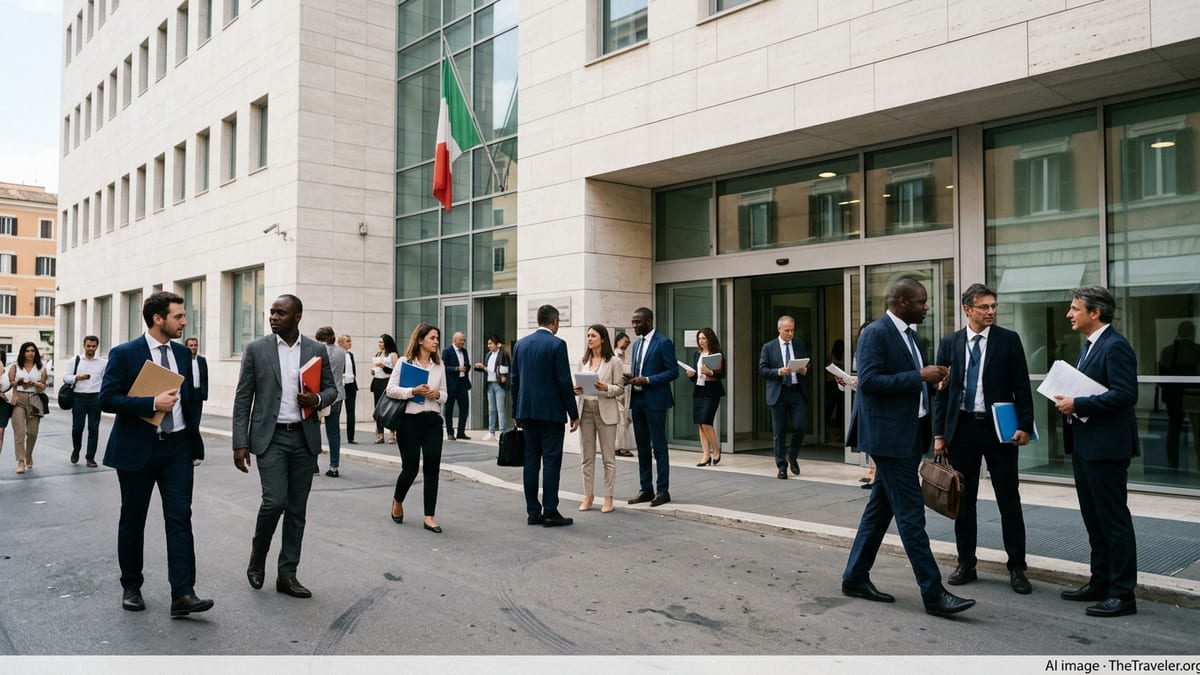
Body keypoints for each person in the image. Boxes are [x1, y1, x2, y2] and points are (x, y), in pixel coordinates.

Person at [841, 278, 975, 618]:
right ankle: (934, 594)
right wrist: (919, 375)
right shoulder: (875, 333)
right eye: (921, 302)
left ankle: (855, 577)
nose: (926, 307)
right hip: (889, 440)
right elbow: (869, 382)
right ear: (901, 302)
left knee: (879, 511)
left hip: (910, 434)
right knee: (912, 516)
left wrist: (933, 382)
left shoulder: (911, 336)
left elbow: (911, 384)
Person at [99, 291, 211, 616]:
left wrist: (193, 442)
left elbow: (189, 401)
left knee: (180, 518)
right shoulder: (124, 353)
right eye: (178, 316)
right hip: (137, 450)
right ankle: (131, 586)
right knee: (133, 520)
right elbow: (107, 399)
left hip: (176, 448)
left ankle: (183, 594)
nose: (185, 322)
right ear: (158, 319)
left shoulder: (182, 353)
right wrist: (151, 403)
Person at [932, 283, 1035, 594]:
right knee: (963, 501)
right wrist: (939, 434)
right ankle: (966, 563)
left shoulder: (1008, 340)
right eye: (984, 307)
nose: (991, 311)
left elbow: (1022, 387)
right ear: (968, 309)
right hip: (961, 430)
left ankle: (1017, 567)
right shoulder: (950, 343)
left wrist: (1025, 425)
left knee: (1009, 498)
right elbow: (941, 393)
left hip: (998, 431)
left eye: (993, 306)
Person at [232, 294, 337, 600]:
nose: (273, 317)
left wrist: (316, 400)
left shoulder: (316, 349)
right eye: (272, 313)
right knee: (274, 502)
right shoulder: (256, 349)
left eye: (281, 313)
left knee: (296, 510)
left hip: (304, 438)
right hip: (271, 438)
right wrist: (241, 441)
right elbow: (243, 398)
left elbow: (332, 389)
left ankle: (287, 575)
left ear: (297, 316)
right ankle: (258, 555)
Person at [1053, 285, 1139, 618]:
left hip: (1107, 449)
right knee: (1094, 520)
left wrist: (1080, 402)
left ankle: (1122, 593)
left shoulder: (1115, 346)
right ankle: (1100, 580)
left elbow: (1125, 394)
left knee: (1113, 521)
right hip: (1087, 445)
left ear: (1095, 313)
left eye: (1075, 308)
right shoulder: (1091, 346)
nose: (1069, 314)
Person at [511, 304, 580, 527]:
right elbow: (563, 380)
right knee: (551, 461)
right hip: (551, 413)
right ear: (555, 322)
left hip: (527, 411)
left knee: (531, 462)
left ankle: (533, 512)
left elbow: (514, 380)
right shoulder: (557, 344)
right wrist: (573, 412)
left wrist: (516, 412)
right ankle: (550, 511)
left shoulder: (520, 345)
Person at [386, 323, 449, 534]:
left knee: (432, 469)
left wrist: (436, 395)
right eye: (432, 338)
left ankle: (429, 517)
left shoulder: (439, 365)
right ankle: (397, 500)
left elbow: (445, 394)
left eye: (437, 338)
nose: (436, 342)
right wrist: (413, 390)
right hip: (409, 421)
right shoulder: (405, 362)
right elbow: (390, 390)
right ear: (420, 340)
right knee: (410, 468)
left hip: (432, 421)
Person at [624, 306, 678, 507]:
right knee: (642, 448)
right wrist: (632, 378)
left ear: (649, 322)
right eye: (633, 322)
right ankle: (645, 489)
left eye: (637, 322)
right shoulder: (637, 345)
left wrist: (647, 380)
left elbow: (673, 372)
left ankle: (663, 490)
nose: (634, 325)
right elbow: (640, 369)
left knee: (659, 448)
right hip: (637, 401)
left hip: (655, 402)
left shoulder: (663, 343)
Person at [573, 324, 624, 513]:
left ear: (602, 339)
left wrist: (606, 388)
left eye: (593, 335)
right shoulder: (583, 360)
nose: (589, 339)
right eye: (588, 335)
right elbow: (579, 385)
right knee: (586, 457)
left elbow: (620, 388)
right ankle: (588, 496)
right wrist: (577, 390)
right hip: (585, 409)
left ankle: (608, 497)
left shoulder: (614, 362)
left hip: (606, 411)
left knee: (608, 458)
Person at [759, 315, 809, 479]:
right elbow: (762, 369)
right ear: (779, 329)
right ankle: (782, 466)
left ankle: (792, 454)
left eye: (792, 330)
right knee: (779, 431)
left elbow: (808, 364)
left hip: (796, 391)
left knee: (800, 426)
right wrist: (779, 372)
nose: (790, 334)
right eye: (787, 330)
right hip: (778, 392)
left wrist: (804, 369)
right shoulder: (769, 347)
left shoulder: (799, 345)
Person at [1159, 320, 1200, 470]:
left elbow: (1161, 378)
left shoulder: (1167, 351)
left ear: (1179, 332)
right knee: (1197, 433)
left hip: (1174, 398)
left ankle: (1173, 464)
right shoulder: (1198, 350)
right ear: (1193, 333)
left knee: (1174, 432)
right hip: (1195, 397)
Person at [65, 335, 107, 468]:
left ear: (97, 346)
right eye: (88, 346)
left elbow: (107, 380)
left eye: (93, 346)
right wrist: (77, 377)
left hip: (95, 397)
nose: (91, 348)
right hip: (79, 397)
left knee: (93, 429)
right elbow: (66, 377)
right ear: (84, 345)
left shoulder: (103, 363)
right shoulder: (75, 360)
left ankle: (90, 458)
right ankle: (76, 449)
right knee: (77, 428)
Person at [685, 327, 725, 466]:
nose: (701, 341)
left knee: (706, 422)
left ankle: (716, 450)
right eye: (699, 339)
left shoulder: (717, 354)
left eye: (703, 338)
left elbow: (722, 375)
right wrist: (692, 374)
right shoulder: (697, 354)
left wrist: (710, 372)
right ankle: (706, 454)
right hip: (699, 390)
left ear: (709, 339)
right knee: (700, 424)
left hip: (712, 391)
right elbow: (697, 375)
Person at [9, 341, 47, 474]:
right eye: (27, 351)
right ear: (23, 353)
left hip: (35, 399)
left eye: (32, 351)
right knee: (19, 432)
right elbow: (11, 382)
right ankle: (20, 461)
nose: (30, 353)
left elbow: (43, 386)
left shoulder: (41, 367)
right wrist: (18, 382)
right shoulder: (15, 366)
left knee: (32, 432)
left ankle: (28, 454)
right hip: (19, 399)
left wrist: (35, 383)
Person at [315, 326, 346, 477]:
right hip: (338, 395)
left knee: (314, 429)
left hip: (322, 395)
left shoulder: (318, 351)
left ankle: (313, 465)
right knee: (334, 432)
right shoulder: (342, 351)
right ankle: (334, 466)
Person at [473, 334, 510, 441]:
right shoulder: (488, 355)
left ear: (497, 344)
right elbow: (489, 369)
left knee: (500, 409)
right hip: (489, 384)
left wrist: (486, 368)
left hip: (498, 384)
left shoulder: (503, 354)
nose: (489, 346)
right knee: (491, 409)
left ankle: (503, 432)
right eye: (488, 344)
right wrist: (482, 368)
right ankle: (491, 431)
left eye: (491, 344)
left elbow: (504, 369)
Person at [442, 331, 472, 441]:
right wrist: (456, 369)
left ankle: (461, 432)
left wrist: (467, 367)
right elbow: (444, 367)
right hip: (451, 384)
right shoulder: (447, 351)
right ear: (454, 340)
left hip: (462, 383)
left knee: (464, 408)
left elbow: (467, 364)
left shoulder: (464, 351)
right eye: (461, 340)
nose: (463, 342)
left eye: (464, 340)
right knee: (449, 409)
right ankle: (450, 432)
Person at [372, 334, 400, 444]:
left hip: (387, 382)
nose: (380, 344)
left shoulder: (393, 355)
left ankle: (392, 433)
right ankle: (380, 434)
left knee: (390, 408)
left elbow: (396, 372)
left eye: (381, 342)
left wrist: (383, 367)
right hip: (377, 381)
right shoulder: (378, 354)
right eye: (379, 342)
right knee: (378, 408)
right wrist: (374, 370)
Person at [613, 333, 635, 457]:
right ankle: (619, 446)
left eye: (628, 342)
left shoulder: (627, 356)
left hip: (627, 389)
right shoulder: (614, 355)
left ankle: (622, 445)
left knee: (625, 419)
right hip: (618, 390)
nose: (626, 344)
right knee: (621, 419)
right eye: (624, 341)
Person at [338, 334, 358, 444]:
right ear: (340, 343)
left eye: (350, 341)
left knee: (351, 412)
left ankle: (351, 437)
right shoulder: (338, 354)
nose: (350, 343)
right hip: (341, 385)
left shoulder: (351, 355)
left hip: (351, 385)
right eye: (347, 341)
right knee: (337, 411)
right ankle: (337, 436)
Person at [184, 337, 209, 415]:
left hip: (198, 393)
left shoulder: (202, 360)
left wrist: (204, 393)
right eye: (191, 345)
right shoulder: (183, 360)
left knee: (197, 417)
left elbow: (205, 378)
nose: (193, 347)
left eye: (195, 345)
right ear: (186, 347)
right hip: (188, 393)